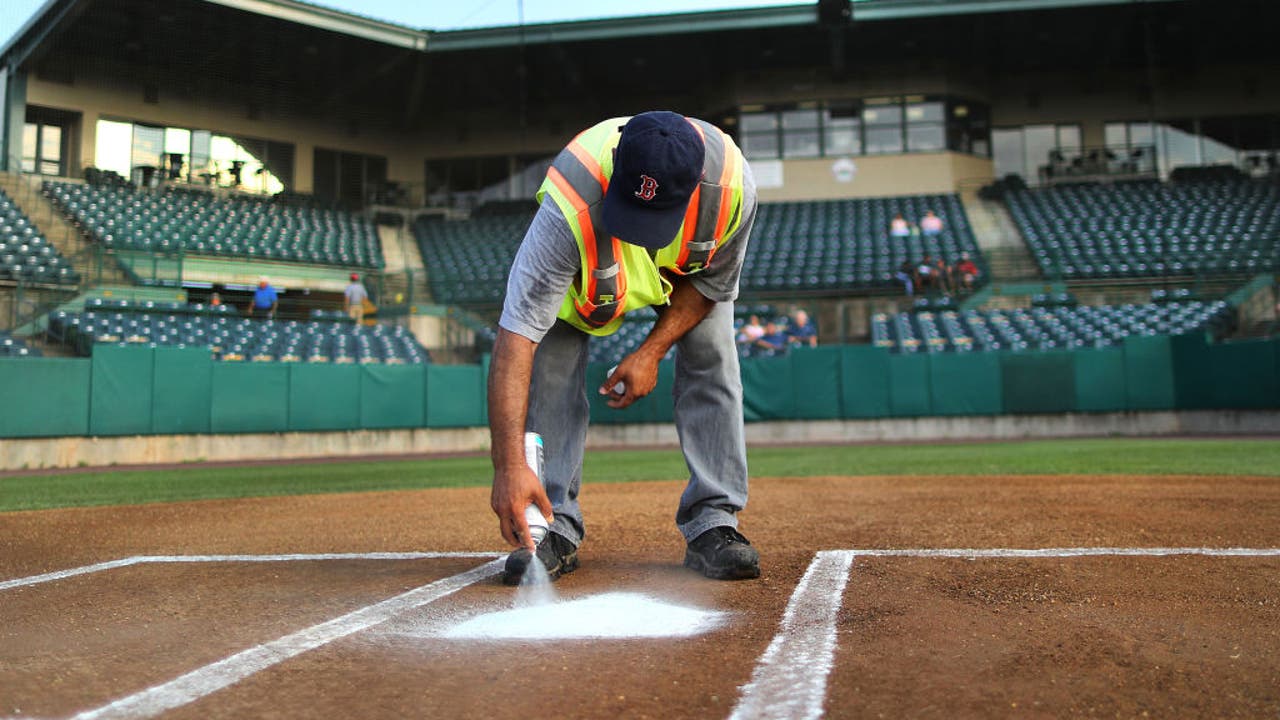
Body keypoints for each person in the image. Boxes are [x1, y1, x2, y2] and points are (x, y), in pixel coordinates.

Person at [488, 111, 760, 585]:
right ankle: (554, 524)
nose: (639, 228)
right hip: (589, 275)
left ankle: (714, 522)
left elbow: (713, 286)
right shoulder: (569, 199)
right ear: (616, 162)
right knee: (549, 369)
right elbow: (517, 336)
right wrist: (508, 465)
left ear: (695, 186)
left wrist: (651, 352)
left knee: (714, 354)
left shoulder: (733, 188)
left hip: (682, 272)